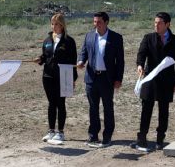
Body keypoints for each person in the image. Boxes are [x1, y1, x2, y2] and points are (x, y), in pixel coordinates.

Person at [133, 12, 175, 151]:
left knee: (163, 111)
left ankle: (160, 139)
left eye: (160, 23)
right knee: (146, 109)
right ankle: (142, 138)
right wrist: (140, 65)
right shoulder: (148, 38)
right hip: (150, 79)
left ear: (167, 24)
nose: (156, 25)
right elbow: (141, 54)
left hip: (167, 81)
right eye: (155, 22)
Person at [77, 11, 124, 148]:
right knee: (93, 108)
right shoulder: (89, 36)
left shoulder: (116, 38)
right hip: (91, 77)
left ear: (106, 22)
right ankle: (93, 136)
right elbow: (83, 52)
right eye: (94, 22)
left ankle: (107, 136)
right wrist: (81, 61)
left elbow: (120, 61)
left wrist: (118, 79)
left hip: (107, 78)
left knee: (108, 108)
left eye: (99, 22)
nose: (96, 24)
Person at [35, 13, 78, 143]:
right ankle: (51, 131)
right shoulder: (47, 40)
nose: (54, 26)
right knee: (51, 104)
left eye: (57, 24)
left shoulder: (69, 41)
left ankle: (60, 132)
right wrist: (40, 59)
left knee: (60, 104)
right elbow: (45, 56)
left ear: (62, 25)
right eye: (53, 24)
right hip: (48, 76)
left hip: (63, 76)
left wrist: (73, 78)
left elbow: (73, 61)